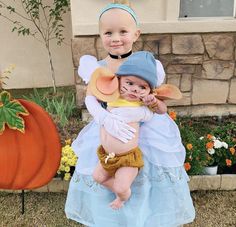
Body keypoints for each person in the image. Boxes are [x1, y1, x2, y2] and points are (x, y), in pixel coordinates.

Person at [65, 1, 195, 227]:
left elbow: (157, 101)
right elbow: (91, 98)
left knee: (143, 176)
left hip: (145, 129)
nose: (116, 38)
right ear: (100, 35)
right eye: (108, 32)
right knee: (105, 170)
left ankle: (145, 219)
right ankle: (113, 218)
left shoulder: (149, 64)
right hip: (109, 128)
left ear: (136, 34)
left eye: (123, 32)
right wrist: (105, 118)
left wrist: (151, 103)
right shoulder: (98, 68)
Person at [88, 51, 179, 209]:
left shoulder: (142, 108)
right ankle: (120, 190)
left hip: (128, 158)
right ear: (119, 79)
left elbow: (162, 110)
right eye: (129, 83)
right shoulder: (112, 97)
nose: (134, 89)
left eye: (142, 87)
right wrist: (104, 117)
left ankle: (123, 196)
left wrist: (154, 101)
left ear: (149, 90)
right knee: (97, 177)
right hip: (107, 155)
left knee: (121, 187)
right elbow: (92, 97)